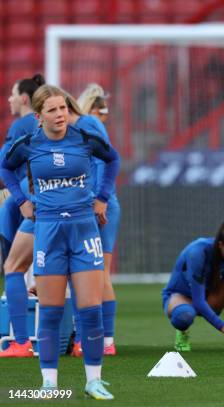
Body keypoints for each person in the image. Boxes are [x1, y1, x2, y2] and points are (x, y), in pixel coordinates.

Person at [0, 85, 120, 399]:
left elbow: (113, 159)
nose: (60, 115)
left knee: (90, 310)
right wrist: (22, 200)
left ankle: (93, 381)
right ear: (38, 116)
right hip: (48, 233)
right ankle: (49, 385)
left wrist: (103, 198)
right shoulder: (28, 144)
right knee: (51, 312)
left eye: (63, 108)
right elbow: (6, 167)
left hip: (83, 231)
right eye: (52, 110)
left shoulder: (84, 139)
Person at [70, 84, 120, 357]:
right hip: (98, 202)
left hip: (99, 204)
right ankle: (98, 338)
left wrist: (100, 198)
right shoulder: (89, 124)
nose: (104, 117)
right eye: (102, 111)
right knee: (95, 272)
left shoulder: (88, 126)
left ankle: (101, 340)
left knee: (97, 272)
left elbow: (105, 162)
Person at [0, 73, 45, 358]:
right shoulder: (76, 133)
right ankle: (80, 340)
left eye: (12, 94)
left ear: (25, 98)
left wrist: (19, 200)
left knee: (14, 268)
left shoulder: (22, 127)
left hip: (24, 208)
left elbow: (4, 167)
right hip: (62, 211)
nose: (9, 99)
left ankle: (21, 340)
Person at [162, 218, 224, 351]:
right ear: (220, 245)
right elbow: (198, 302)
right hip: (182, 296)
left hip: (210, 297)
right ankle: (183, 332)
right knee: (184, 317)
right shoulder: (197, 253)